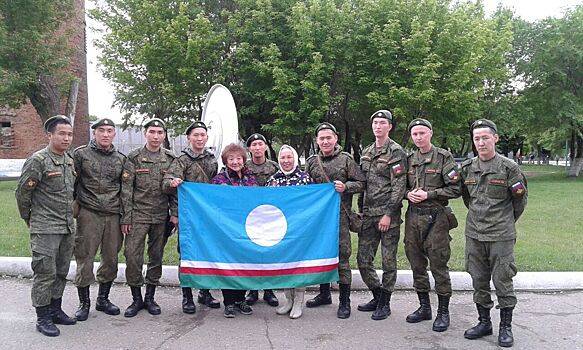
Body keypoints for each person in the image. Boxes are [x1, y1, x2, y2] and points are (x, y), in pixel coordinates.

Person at [460, 119, 527, 348]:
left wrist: (505, 222)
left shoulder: (509, 168)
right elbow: (468, 198)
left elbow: (519, 201)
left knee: (503, 280)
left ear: (495, 138)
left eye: (485, 137)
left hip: (500, 235)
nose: (481, 142)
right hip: (475, 234)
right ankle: (484, 322)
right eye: (477, 138)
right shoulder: (468, 168)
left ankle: (505, 327)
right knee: (478, 279)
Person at [16, 115, 77, 337]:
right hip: (45, 228)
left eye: (69, 134)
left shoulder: (68, 161)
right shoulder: (38, 160)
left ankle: (55, 309)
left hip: (66, 227)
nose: (66, 138)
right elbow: (23, 192)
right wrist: (28, 218)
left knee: (61, 271)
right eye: (62, 133)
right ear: (49, 135)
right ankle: (42, 318)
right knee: (45, 272)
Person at [403, 118, 461, 331]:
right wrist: (408, 194)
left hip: (436, 218)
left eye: (422, 133)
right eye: (415, 134)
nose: (418, 137)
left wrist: (429, 194)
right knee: (416, 264)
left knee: (438, 265)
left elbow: (456, 188)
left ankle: (443, 312)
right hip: (413, 218)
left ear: (430, 133)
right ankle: (424, 307)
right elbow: (399, 187)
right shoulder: (409, 159)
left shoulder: (443, 158)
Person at [305, 122, 365, 319]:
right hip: (319, 219)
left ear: (336, 139)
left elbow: (361, 183)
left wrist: (346, 187)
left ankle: (345, 302)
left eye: (328, 137)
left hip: (340, 218)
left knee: (342, 257)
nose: (325, 141)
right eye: (321, 138)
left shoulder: (346, 159)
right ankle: (324, 295)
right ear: (317, 141)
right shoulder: (312, 162)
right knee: (322, 255)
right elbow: (306, 189)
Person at [162, 121, 220, 313]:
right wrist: (173, 183)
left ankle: (205, 292)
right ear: (189, 138)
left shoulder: (212, 160)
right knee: (186, 255)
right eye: (196, 135)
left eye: (203, 135)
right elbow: (167, 185)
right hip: (187, 217)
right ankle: (187, 296)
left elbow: (215, 186)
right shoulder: (181, 160)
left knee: (207, 253)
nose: (200, 138)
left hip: (207, 217)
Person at [120, 118, 175, 317]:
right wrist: (126, 218)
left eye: (160, 133)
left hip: (161, 216)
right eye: (152, 132)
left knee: (156, 257)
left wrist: (174, 215)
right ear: (145, 133)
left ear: (164, 135)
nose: (156, 136)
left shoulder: (170, 159)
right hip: (137, 216)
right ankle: (136, 298)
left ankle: (150, 297)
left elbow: (174, 191)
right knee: (132, 257)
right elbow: (126, 190)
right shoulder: (134, 158)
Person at [72, 118, 126, 321]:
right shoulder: (80, 154)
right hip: (89, 212)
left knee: (111, 258)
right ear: (94, 133)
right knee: (85, 257)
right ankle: (84, 302)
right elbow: (71, 183)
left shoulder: (121, 159)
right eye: (101, 130)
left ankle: (103, 299)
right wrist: (73, 209)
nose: (105, 134)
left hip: (113, 213)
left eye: (109, 131)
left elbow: (125, 189)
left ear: (114, 134)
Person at [357, 110, 407, 321]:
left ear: (390, 127)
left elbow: (398, 186)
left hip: (388, 216)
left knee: (388, 261)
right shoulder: (367, 151)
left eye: (382, 123)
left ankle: (385, 303)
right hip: (368, 215)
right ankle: (377, 295)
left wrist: (388, 214)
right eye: (375, 122)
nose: (378, 126)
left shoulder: (396, 152)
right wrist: (360, 209)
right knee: (363, 260)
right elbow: (363, 184)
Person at [211, 143, 258, 318]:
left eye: (238, 158)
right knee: (228, 265)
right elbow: (213, 203)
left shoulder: (250, 178)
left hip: (247, 228)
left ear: (244, 160)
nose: (235, 162)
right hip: (226, 229)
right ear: (225, 160)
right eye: (231, 159)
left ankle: (241, 299)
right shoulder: (219, 179)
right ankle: (229, 302)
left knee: (245, 263)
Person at [267, 145, 313, 319]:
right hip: (280, 230)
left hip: (300, 229)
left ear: (295, 158)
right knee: (284, 264)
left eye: (289, 157)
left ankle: (299, 301)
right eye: (283, 158)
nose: (286, 161)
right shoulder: (273, 180)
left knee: (298, 264)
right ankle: (288, 299)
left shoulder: (305, 179)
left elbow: (313, 202)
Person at [244, 133, 279, 307]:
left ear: (265, 146)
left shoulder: (274, 167)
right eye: (254, 144)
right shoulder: (244, 167)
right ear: (249, 148)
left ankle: (269, 290)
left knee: (268, 252)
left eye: (260, 144)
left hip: (270, 216)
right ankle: (252, 291)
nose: (257, 147)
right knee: (252, 252)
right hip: (249, 217)